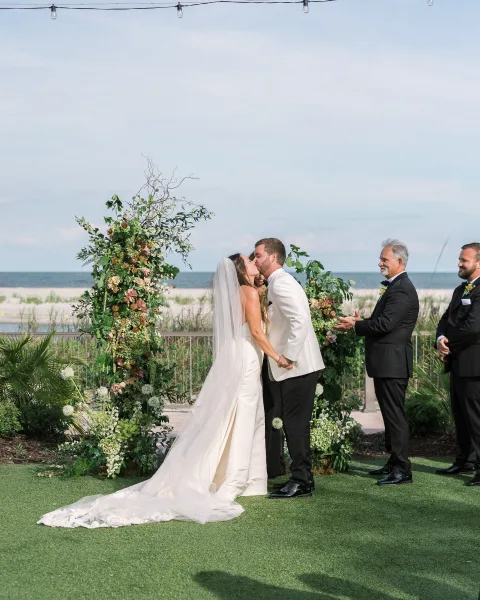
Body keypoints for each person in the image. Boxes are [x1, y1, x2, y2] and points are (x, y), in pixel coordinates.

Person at [38, 255, 288, 528]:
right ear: (241, 270)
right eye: (248, 261)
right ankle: (238, 478)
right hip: (248, 358)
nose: (253, 262)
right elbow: (256, 331)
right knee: (243, 415)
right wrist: (278, 358)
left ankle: (232, 475)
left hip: (237, 354)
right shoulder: (249, 291)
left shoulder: (242, 292)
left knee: (234, 414)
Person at [335, 239, 419, 486]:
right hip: (386, 363)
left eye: (384, 259)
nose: (380, 263)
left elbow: (385, 325)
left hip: (393, 363)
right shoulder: (395, 287)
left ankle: (403, 469)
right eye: (381, 259)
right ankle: (394, 462)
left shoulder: (402, 289)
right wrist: (361, 321)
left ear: (399, 262)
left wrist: (356, 326)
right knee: (390, 414)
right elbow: (382, 320)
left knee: (395, 416)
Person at [253, 238, 324, 499]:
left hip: (298, 367)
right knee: (295, 424)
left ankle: (301, 480)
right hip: (299, 367)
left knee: (294, 424)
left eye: (258, 255)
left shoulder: (281, 284)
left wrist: (289, 357)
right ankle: (303, 478)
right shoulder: (277, 283)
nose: (255, 259)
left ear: (273, 257)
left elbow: (301, 319)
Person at [435, 243, 480, 486]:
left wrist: (449, 342)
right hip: (458, 364)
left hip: (475, 366)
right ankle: (465, 459)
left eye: (464, 260)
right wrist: (440, 338)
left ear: (478, 263)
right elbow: (444, 320)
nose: (459, 264)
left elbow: (474, 329)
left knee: (476, 417)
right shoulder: (458, 291)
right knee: (460, 415)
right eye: (459, 260)